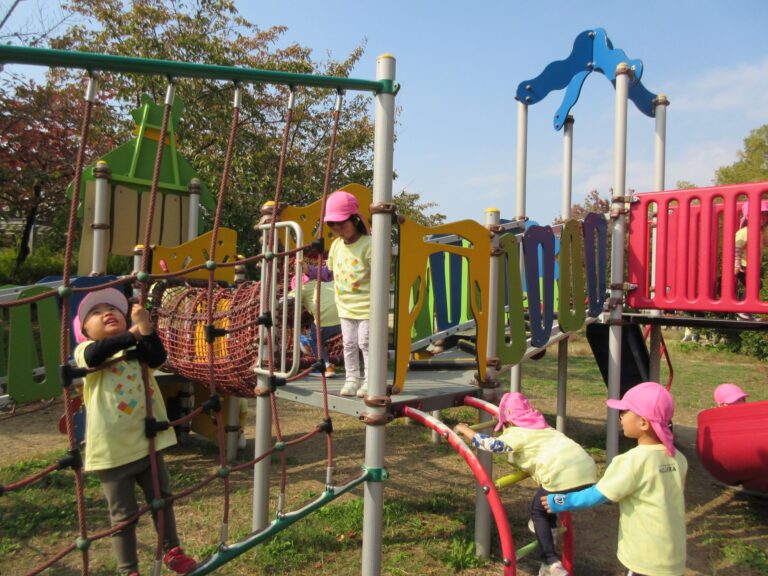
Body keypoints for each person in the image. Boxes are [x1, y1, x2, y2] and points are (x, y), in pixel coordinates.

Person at [72, 287, 197, 576]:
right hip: (112, 453)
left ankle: (173, 551)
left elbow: (157, 357)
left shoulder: (136, 350)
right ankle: (129, 570)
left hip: (147, 443)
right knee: (123, 517)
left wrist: (147, 329)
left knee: (162, 501)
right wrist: (133, 333)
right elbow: (95, 355)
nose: (107, 312)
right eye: (95, 312)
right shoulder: (85, 352)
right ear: (85, 331)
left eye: (113, 308)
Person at [543, 382, 687, 576]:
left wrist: (560, 501)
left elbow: (598, 495)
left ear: (643, 423)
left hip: (645, 555)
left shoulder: (632, 462)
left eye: (624, 413)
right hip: (673, 554)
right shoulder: (678, 458)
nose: (620, 417)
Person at [454, 392, 597, 576]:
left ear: (510, 422)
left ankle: (550, 562)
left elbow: (492, 445)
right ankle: (549, 534)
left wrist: (466, 430)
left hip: (561, 476)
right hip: (587, 471)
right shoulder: (544, 428)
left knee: (538, 512)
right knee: (546, 508)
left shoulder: (517, 432)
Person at [311, 191, 372, 397]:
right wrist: (309, 271)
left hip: (367, 306)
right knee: (348, 343)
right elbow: (329, 273)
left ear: (355, 219)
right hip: (345, 306)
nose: (338, 229)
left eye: (342, 224)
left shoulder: (368, 244)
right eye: (333, 225)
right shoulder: (336, 245)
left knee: (365, 342)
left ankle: (369, 381)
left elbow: (381, 274)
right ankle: (352, 379)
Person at [288, 271, 342, 378]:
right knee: (320, 339)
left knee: (314, 339)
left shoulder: (301, 288)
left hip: (325, 321)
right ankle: (329, 366)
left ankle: (325, 367)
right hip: (344, 318)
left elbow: (288, 299)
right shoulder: (324, 283)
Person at [734, 200, 768, 319]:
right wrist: (736, 264)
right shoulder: (745, 231)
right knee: (755, 284)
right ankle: (742, 308)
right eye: (760, 215)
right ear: (749, 217)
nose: (763, 218)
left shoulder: (761, 232)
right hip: (743, 265)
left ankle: (745, 310)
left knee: (756, 285)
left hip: (752, 266)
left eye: (765, 215)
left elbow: (765, 243)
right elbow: (736, 247)